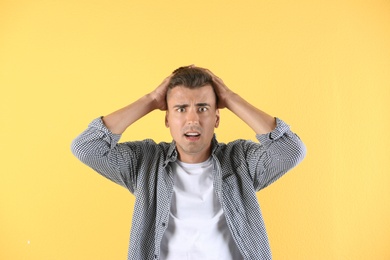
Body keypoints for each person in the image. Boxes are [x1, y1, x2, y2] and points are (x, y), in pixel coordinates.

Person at [71, 65, 306, 260]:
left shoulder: (240, 160)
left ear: (216, 118)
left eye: (202, 108)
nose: (192, 119)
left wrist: (230, 98)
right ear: (167, 119)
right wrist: (151, 99)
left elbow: (290, 151)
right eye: (181, 109)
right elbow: (87, 147)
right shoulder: (146, 162)